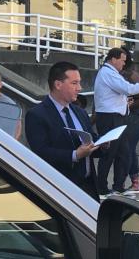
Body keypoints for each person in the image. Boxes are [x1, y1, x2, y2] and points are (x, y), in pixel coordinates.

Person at [24, 61, 100, 198]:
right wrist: (74, 155)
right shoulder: (37, 115)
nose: (80, 88)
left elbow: (90, 140)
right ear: (58, 85)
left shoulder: (80, 112)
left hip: (88, 188)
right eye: (74, 83)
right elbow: (41, 152)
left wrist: (104, 144)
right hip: (59, 190)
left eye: (79, 83)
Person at [93, 47, 139, 197]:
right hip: (109, 117)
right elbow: (128, 89)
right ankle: (101, 188)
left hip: (117, 117)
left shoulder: (111, 73)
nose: (123, 64)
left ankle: (118, 186)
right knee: (109, 152)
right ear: (113, 59)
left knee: (124, 152)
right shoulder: (107, 73)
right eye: (122, 61)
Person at [120, 53, 139, 194]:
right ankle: (133, 180)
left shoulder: (131, 75)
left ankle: (134, 181)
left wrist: (126, 106)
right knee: (127, 145)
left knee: (129, 145)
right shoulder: (118, 74)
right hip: (132, 112)